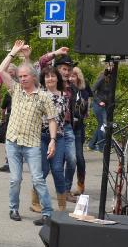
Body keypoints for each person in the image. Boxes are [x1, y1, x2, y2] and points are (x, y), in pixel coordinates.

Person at [0, 40, 56, 225]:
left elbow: (52, 119)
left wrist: (53, 140)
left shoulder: (44, 96)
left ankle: (47, 213)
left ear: (33, 77)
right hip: (13, 141)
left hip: (32, 144)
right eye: (20, 76)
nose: (22, 79)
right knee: (15, 179)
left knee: (38, 179)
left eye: (25, 76)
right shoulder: (15, 90)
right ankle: (13, 208)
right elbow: (0, 70)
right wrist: (13, 52)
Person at [38, 64, 76, 213]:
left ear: (57, 78)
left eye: (53, 76)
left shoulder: (64, 95)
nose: (50, 79)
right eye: (47, 76)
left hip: (58, 136)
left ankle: (62, 206)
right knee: (43, 170)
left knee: (57, 169)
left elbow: (63, 118)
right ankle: (35, 201)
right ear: (43, 79)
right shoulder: (39, 94)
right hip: (41, 136)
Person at [65, 66, 90, 197]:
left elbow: (85, 110)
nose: (71, 78)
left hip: (79, 127)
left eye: (73, 76)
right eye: (69, 76)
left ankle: (81, 184)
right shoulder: (66, 90)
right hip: (66, 127)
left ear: (78, 77)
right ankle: (64, 188)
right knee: (66, 159)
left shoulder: (84, 91)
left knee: (79, 158)